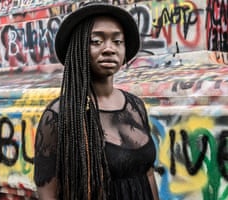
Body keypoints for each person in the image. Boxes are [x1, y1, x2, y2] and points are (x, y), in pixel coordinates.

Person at [33, 2, 159, 200]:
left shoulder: (136, 106)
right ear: (79, 48)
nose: (109, 49)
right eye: (96, 41)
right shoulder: (58, 116)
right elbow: (47, 193)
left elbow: (148, 173)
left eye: (118, 41)